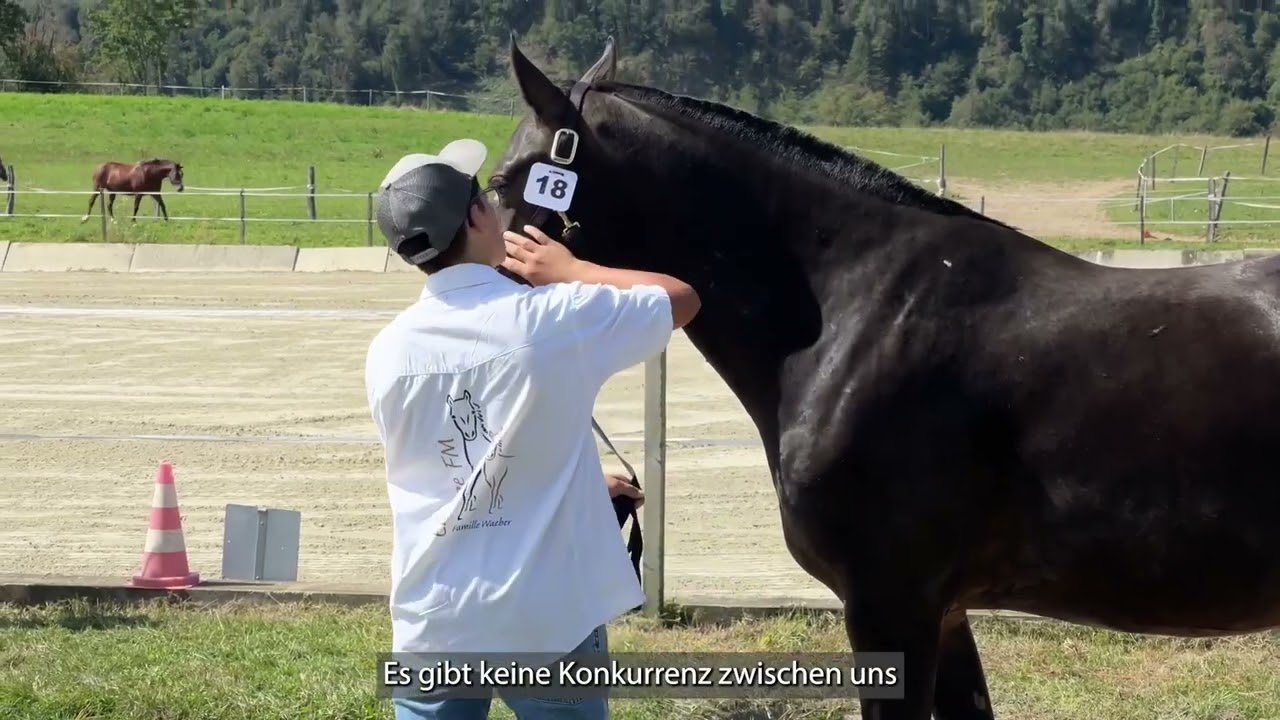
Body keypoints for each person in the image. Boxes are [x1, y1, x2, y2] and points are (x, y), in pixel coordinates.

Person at [364, 139, 701, 720]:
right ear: (476, 216)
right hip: (547, 617)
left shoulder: (387, 351)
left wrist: (579, 482)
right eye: (488, 198)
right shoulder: (550, 320)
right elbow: (680, 299)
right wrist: (572, 272)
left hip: (433, 620)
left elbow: (458, 470)